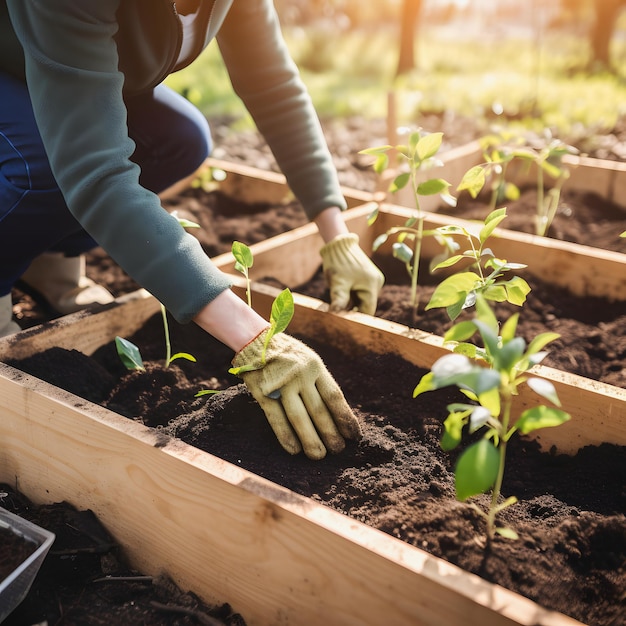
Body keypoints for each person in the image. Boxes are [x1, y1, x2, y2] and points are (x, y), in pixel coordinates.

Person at [0, 1, 384, 460]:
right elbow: (96, 172)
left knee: (178, 139)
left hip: (64, 78)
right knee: (41, 164)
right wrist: (251, 337)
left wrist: (335, 233)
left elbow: (274, 86)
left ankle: (50, 264)